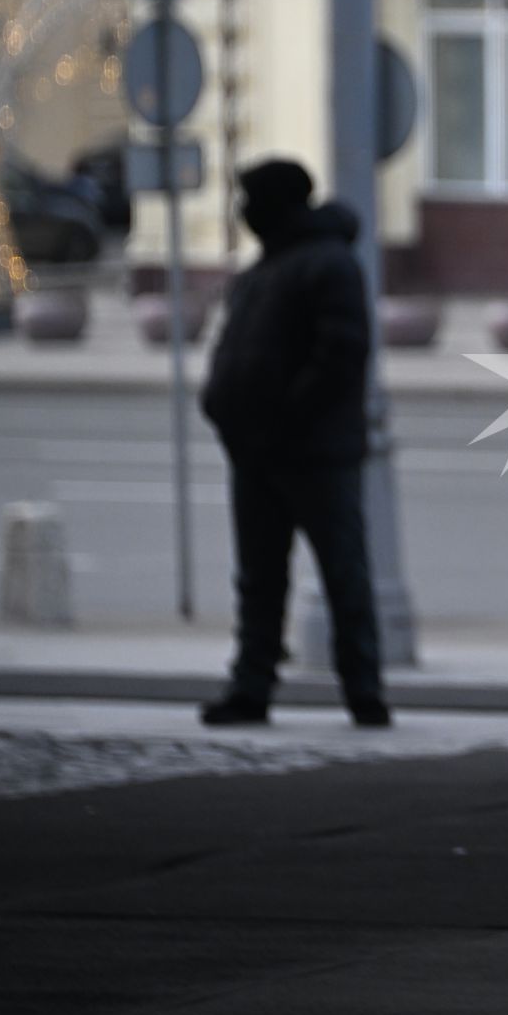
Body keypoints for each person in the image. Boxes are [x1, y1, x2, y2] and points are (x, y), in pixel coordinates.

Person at [198, 158, 391, 729]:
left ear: (278, 205)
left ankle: (364, 692)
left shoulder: (328, 265)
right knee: (259, 580)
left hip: (314, 454)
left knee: (342, 575)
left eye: (250, 200)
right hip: (256, 452)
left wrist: (281, 417)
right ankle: (250, 688)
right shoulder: (263, 271)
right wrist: (223, 408)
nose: (243, 212)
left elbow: (341, 355)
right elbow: (235, 352)